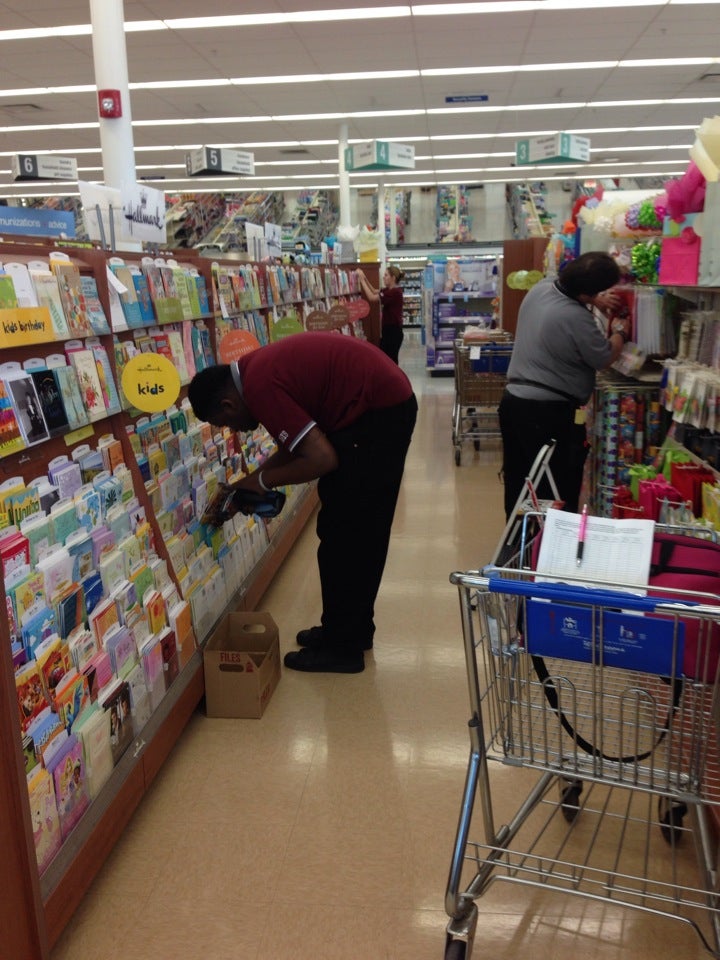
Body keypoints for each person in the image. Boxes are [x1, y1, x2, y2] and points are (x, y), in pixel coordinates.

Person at [187, 332, 418, 674]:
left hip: (376, 416)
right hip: (378, 407)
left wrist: (262, 481)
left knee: (347, 533)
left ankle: (343, 649)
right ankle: (349, 630)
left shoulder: (260, 388)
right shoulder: (254, 373)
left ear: (227, 405)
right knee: (353, 529)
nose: (236, 431)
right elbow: (296, 445)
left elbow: (322, 458)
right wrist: (252, 481)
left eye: (227, 424)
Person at [498, 251, 629, 519]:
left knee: (519, 476)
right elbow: (603, 357)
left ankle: (518, 534)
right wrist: (620, 333)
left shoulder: (540, 288)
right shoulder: (576, 317)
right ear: (588, 293)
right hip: (548, 412)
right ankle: (553, 537)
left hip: (513, 402)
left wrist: (593, 299)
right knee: (558, 482)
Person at [357, 265, 405, 364]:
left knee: (390, 360)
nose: (383, 277)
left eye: (386, 275)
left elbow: (371, 297)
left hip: (393, 332)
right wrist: (365, 278)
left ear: (393, 278)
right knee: (386, 359)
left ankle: (393, 374)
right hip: (388, 330)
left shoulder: (395, 292)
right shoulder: (388, 290)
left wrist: (361, 280)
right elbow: (374, 290)